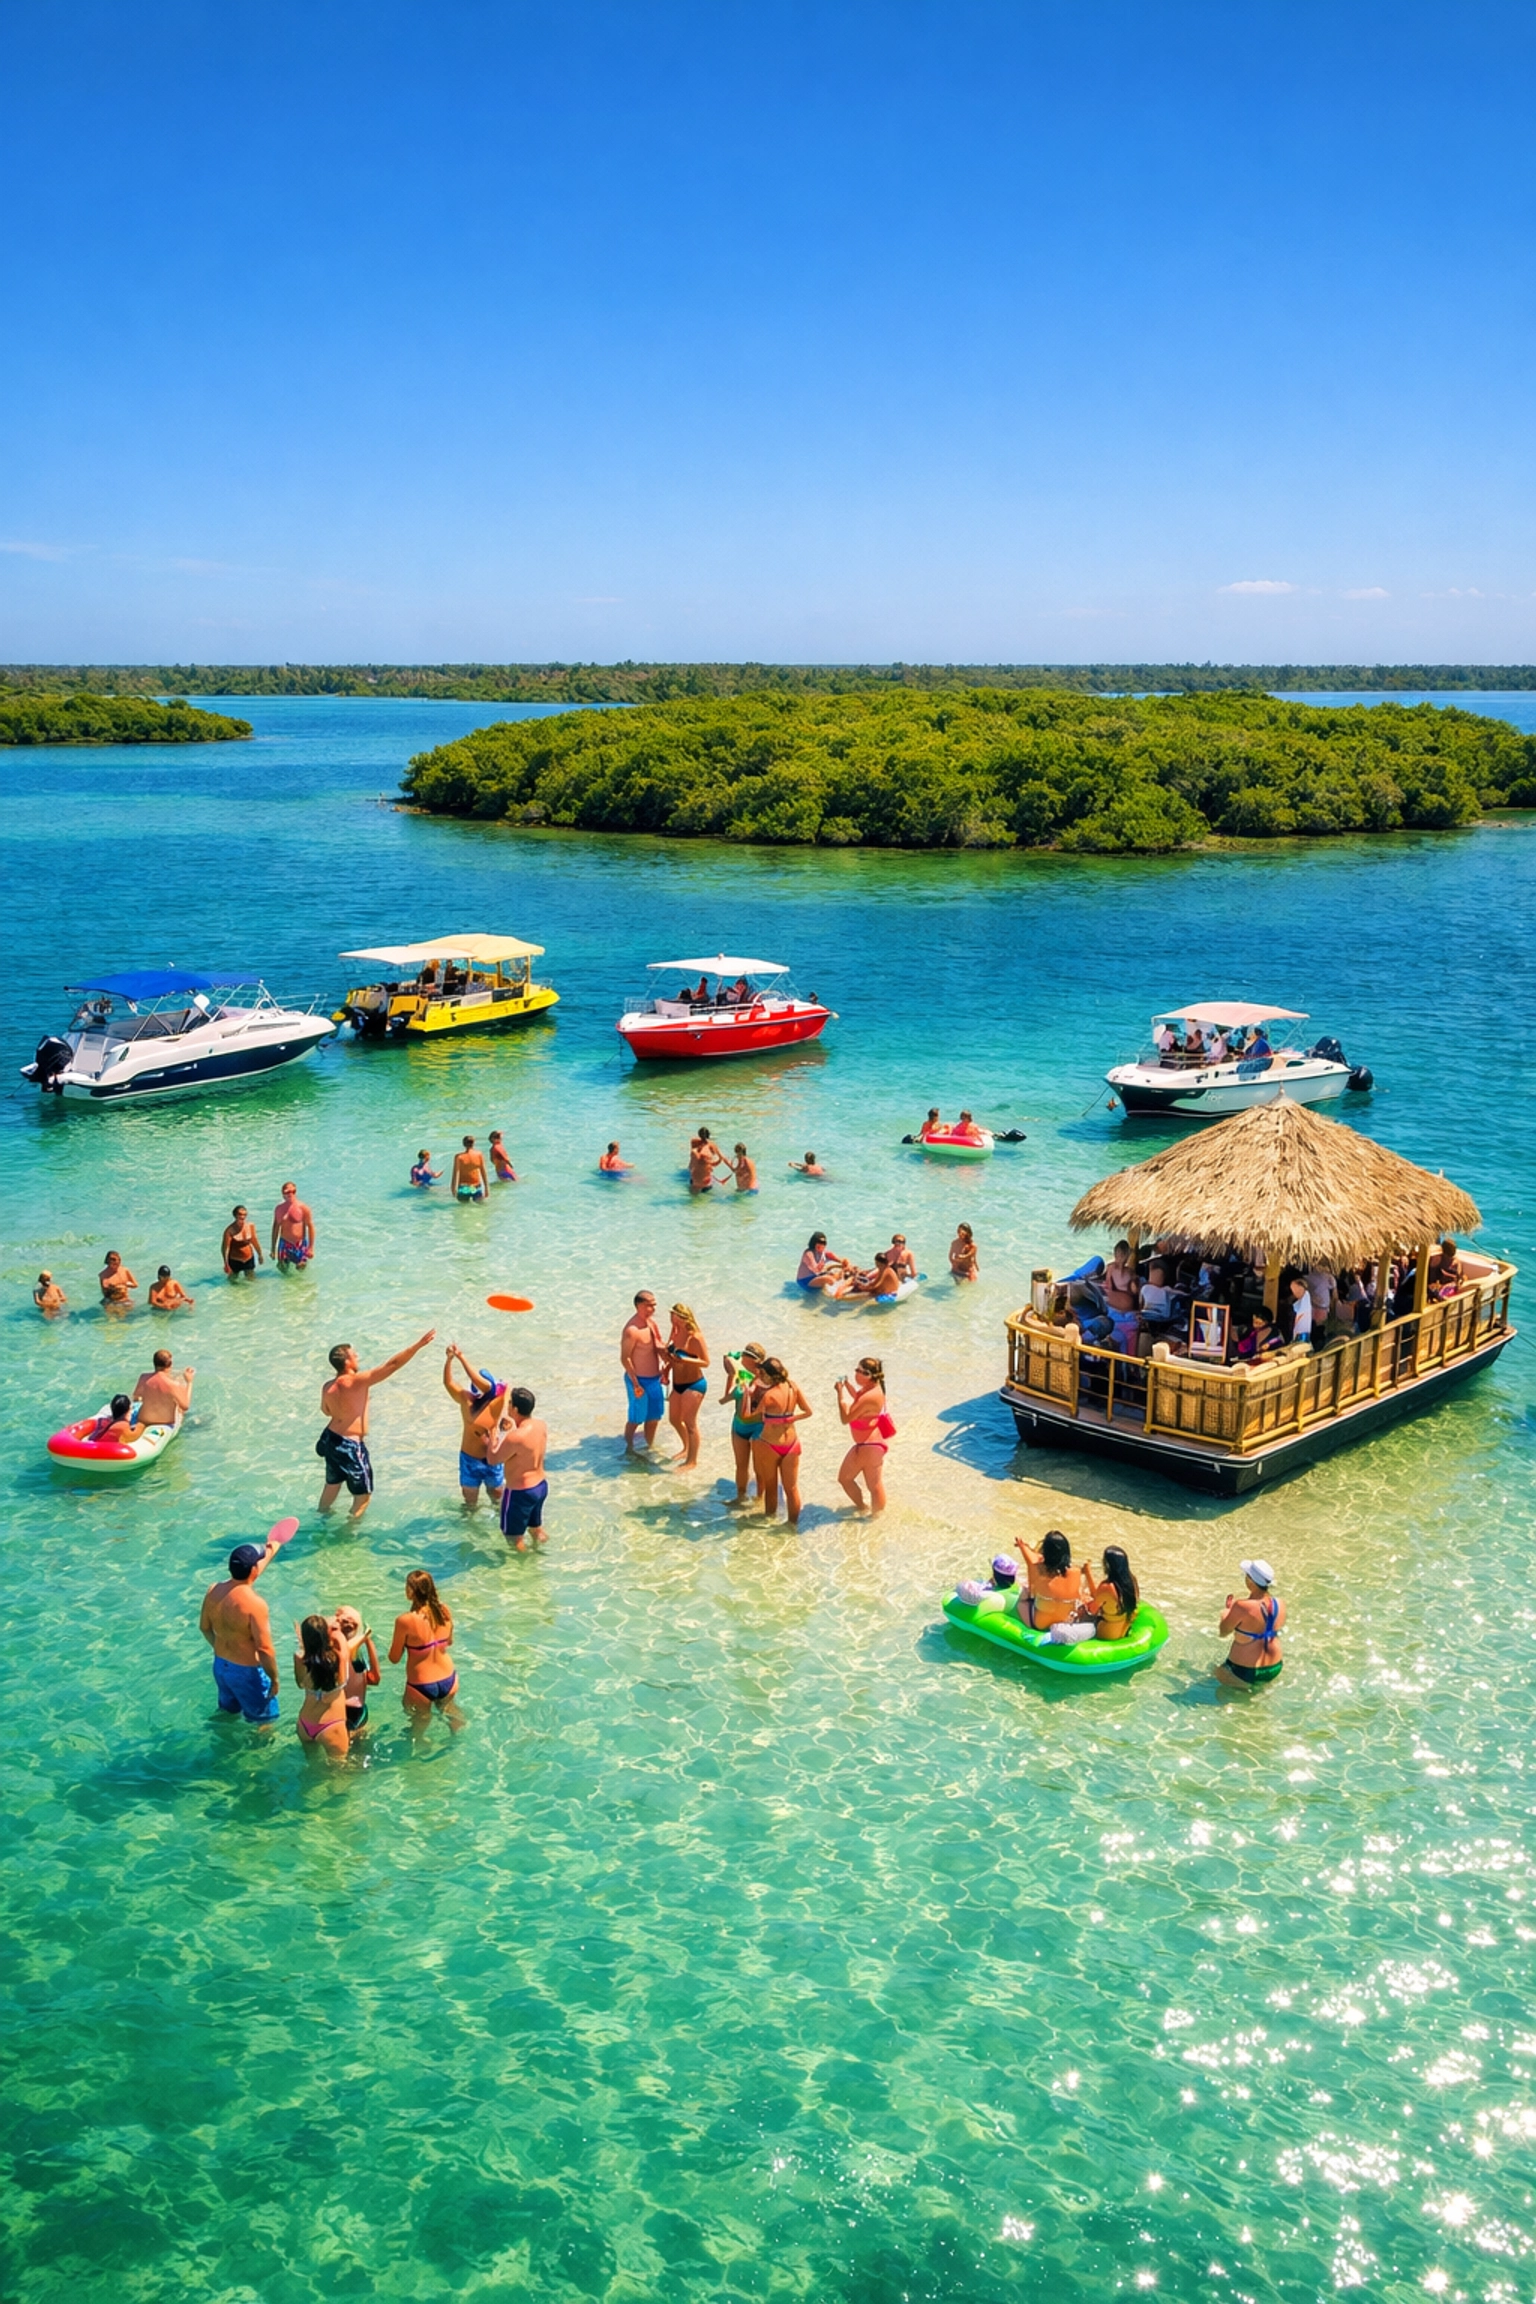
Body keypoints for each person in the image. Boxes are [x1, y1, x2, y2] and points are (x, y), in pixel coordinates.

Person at [317, 1329, 436, 1519]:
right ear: (347, 1361)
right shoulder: (357, 1381)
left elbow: (326, 1411)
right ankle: (348, 1535)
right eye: (354, 1355)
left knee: (332, 1485)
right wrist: (418, 1345)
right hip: (350, 1445)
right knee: (363, 1497)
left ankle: (320, 1518)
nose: (358, 1357)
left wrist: (351, 1406)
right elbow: (392, 1365)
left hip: (330, 1440)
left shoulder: (327, 1387)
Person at [199, 1531, 284, 1724]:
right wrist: (275, 1680)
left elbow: (204, 1628)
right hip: (247, 1673)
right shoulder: (255, 1604)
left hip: (221, 1666)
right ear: (253, 1569)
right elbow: (265, 1649)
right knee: (264, 1722)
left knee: (227, 1716)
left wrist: (272, 1548)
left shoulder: (213, 1590)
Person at [442, 1344, 507, 1509]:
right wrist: (449, 1360)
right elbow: (448, 1382)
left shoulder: (497, 1402)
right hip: (469, 1459)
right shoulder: (467, 1399)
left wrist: (462, 1358)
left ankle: (503, 1529)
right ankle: (469, 1533)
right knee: (470, 1504)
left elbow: (487, 1387)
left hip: (492, 1459)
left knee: (498, 1501)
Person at [754, 1356, 812, 1526]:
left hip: (770, 1444)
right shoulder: (793, 1387)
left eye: (762, 1373)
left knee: (771, 1487)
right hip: (792, 1443)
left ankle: (768, 1522)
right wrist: (788, 1419)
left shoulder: (769, 1395)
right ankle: (792, 1526)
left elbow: (749, 1414)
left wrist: (747, 1394)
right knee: (792, 1489)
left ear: (768, 1375)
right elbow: (808, 1412)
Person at [390, 1570, 459, 1713]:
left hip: (421, 1684)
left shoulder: (405, 1620)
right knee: (454, 1716)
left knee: (416, 1729)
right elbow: (449, 1642)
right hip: (449, 1678)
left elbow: (394, 1658)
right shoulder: (444, 1611)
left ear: (411, 1591)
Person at [490, 1386, 548, 1548]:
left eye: (509, 1403)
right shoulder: (540, 1425)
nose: (507, 1405)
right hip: (540, 1486)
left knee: (513, 1539)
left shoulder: (515, 1437)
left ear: (515, 1409)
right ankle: (541, 1552)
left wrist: (495, 1432)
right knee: (536, 1529)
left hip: (520, 1492)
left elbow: (492, 1459)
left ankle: (525, 1568)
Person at [835, 1357, 890, 1514]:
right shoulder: (871, 1388)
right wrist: (847, 1386)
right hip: (872, 1444)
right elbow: (858, 1397)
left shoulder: (869, 1396)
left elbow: (845, 1419)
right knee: (874, 1485)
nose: (856, 1373)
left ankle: (870, 1513)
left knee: (849, 1480)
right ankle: (871, 1514)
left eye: (861, 1372)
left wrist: (840, 1395)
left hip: (868, 1445)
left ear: (871, 1375)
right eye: (856, 1369)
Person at [1217, 1560, 1285, 1688]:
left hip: (1246, 1671)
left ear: (1250, 1581)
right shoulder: (1280, 1604)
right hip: (1275, 1667)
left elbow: (1223, 1632)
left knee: (1216, 1674)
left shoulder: (1241, 1607)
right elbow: (1260, 1620)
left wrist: (1226, 1613)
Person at [292, 1614, 351, 1760]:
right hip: (331, 1725)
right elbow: (342, 1642)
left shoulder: (299, 1659)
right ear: (326, 1635)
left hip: (305, 1724)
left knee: (311, 1767)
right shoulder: (338, 1657)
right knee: (340, 1774)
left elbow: (300, 1684)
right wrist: (335, 1631)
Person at [663, 1302, 709, 1468]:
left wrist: (685, 1359)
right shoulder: (675, 1332)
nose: (670, 1319)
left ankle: (692, 1461)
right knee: (674, 1419)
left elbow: (705, 1362)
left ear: (681, 1317)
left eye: (672, 1315)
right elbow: (672, 1355)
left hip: (694, 1384)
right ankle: (686, 1447)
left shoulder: (695, 1337)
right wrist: (666, 1369)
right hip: (677, 1383)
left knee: (690, 1423)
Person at [1012, 1531, 1088, 1629]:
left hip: (1039, 1625)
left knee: (1022, 1600)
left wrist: (1022, 1546)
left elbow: (1032, 1559)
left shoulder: (1037, 1570)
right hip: (1065, 1622)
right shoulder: (1076, 1573)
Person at [721, 1343, 767, 1504]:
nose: (743, 1358)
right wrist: (730, 1375)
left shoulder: (766, 1379)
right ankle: (740, 1497)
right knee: (741, 1465)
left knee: (759, 1467)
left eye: (748, 1356)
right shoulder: (740, 1373)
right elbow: (726, 1398)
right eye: (744, 1355)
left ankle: (760, 1498)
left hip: (759, 1426)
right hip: (739, 1424)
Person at [621, 1289, 666, 1452]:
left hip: (655, 1379)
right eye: (649, 1306)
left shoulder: (651, 1323)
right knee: (636, 1418)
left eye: (654, 1306)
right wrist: (635, 1384)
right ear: (638, 1306)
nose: (653, 1309)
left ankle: (649, 1446)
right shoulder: (631, 1330)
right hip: (638, 1380)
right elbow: (625, 1358)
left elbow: (659, 1346)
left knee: (654, 1417)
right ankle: (629, 1448)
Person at [333, 1605, 380, 1735]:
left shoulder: (332, 1653)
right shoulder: (356, 1655)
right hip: (357, 1712)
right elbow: (375, 1679)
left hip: (338, 1712)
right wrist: (368, 1640)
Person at [1082, 1546, 1140, 1640]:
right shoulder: (1132, 1580)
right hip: (1124, 1628)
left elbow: (1092, 1610)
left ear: (1107, 1565)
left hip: (1107, 1633)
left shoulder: (1107, 1587)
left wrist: (1087, 1573)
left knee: (1080, 1606)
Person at [133, 1349, 194, 1427]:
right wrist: (189, 1382)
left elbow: (135, 1397)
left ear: (154, 1363)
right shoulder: (173, 1384)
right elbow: (185, 1406)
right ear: (170, 1364)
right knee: (180, 1409)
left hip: (144, 1419)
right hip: (165, 1422)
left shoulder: (143, 1378)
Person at [271, 1183, 316, 1269]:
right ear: (283, 1193)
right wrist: (273, 1248)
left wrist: (311, 1248)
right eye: (288, 1192)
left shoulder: (303, 1208)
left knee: (301, 1269)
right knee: (282, 1268)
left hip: (299, 1243)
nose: (291, 1194)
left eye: (293, 1191)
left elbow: (311, 1227)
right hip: (284, 1243)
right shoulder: (279, 1209)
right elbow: (275, 1228)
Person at [222, 1205, 262, 1280]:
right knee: (232, 1281)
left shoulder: (250, 1226)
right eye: (240, 1214)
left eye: (245, 1214)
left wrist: (260, 1254)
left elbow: (254, 1241)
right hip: (235, 1259)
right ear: (235, 1215)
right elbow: (224, 1248)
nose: (243, 1217)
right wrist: (226, 1263)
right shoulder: (229, 1230)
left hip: (249, 1258)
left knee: (251, 1280)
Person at [688, 1127, 725, 1194]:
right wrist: (712, 1163)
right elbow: (720, 1158)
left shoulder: (694, 1142)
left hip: (694, 1174)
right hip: (706, 1177)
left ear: (699, 1134)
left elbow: (693, 1158)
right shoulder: (712, 1145)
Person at [451, 1137, 489, 1201]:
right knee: (480, 1208)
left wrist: (453, 1187)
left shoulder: (459, 1157)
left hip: (463, 1188)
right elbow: (483, 1172)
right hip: (476, 1187)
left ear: (463, 1144)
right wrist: (486, 1188)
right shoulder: (479, 1154)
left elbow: (456, 1173)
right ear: (473, 1143)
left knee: (463, 1209)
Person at [1287, 1276, 1314, 1348]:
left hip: (1302, 1331)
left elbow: (1301, 1312)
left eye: (1295, 1289)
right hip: (1298, 1330)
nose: (1294, 1292)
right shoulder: (1301, 1300)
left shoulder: (1306, 1297)